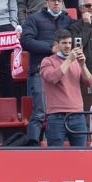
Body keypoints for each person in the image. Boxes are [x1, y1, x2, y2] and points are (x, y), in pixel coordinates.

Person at [22, 0, 75, 145]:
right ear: (47, 2)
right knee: (39, 112)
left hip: (64, 71)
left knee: (65, 111)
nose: (56, 3)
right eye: (53, 0)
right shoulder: (34, 18)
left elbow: (80, 38)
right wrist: (50, 48)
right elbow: (25, 41)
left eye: (59, 0)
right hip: (40, 70)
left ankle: (66, 145)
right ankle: (32, 145)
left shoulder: (69, 20)